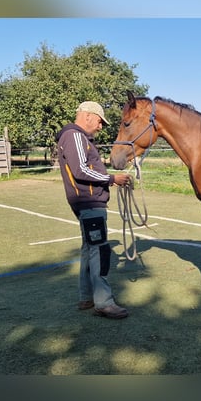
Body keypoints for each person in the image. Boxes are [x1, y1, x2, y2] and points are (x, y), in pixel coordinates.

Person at [57, 101, 131, 319]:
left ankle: (86, 296)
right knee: (99, 251)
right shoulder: (75, 136)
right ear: (88, 116)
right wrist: (111, 178)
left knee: (89, 250)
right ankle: (103, 302)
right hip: (89, 202)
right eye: (100, 121)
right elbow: (80, 170)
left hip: (86, 201)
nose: (100, 127)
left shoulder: (76, 137)